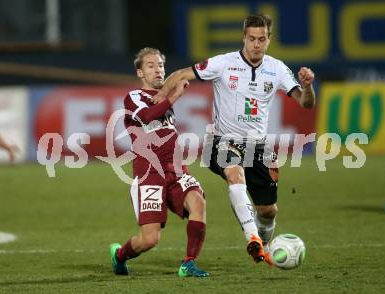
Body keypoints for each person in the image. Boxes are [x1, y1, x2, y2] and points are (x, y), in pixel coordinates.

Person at [153, 14, 316, 265]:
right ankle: (253, 238)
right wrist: (163, 93)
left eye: (261, 39)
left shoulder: (277, 69)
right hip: (223, 141)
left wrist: (307, 86)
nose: (256, 44)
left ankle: (262, 242)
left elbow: (306, 103)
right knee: (234, 173)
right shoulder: (224, 63)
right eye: (251, 39)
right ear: (244, 38)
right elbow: (181, 73)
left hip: (258, 147)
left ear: (269, 40)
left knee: (268, 211)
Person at [109, 47, 209, 277]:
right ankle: (120, 255)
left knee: (198, 203)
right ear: (140, 73)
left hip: (176, 170)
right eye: (151, 65)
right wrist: (173, 95)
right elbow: (146, 117)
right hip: (149, 175)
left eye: (161, 65)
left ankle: (189, 263)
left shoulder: (162, 99)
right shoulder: (134, 97)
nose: (158, 70)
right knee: (150, 239)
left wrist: (168, 96)